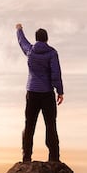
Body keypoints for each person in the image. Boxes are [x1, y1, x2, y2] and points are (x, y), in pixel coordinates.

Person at [16, 23, 63, 162]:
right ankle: (54, 157)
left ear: (36, 39)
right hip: (47, 93)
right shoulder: (52, 53)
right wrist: (60, 91)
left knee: (29, 125)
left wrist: (19, 29)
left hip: (32, 92)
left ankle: (26, 157)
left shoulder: (30, 51)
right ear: (46, 39)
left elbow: (22, 41)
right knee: (50, 124)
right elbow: (56, 74)